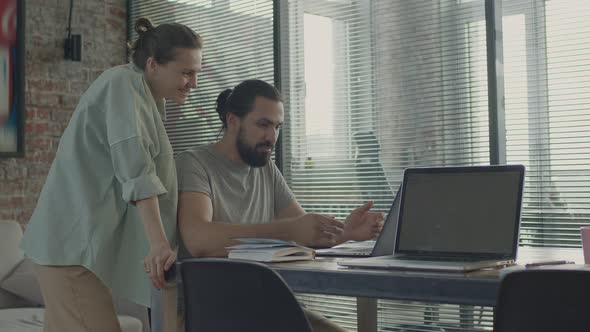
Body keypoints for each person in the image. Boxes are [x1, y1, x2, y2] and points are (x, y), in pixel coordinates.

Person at [21, 18, 202, 332]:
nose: (193, 83)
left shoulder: (144, 96)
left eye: (196, 73)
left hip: (76, 250)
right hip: (70, 250)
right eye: (186, 72)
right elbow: (136, 170)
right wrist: (159, 244)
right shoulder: (122, 86)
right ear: (153, 64)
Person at [175, 79, 384, 332]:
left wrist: (347, 233)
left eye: (277, 127)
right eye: (263, 125)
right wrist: (288, 230)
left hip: (263, 304)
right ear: (232, 121)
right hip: (212, 312)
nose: (272, 137)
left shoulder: (266, 169)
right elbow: (199, 239)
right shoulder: (194, 163)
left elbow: (304, 232)